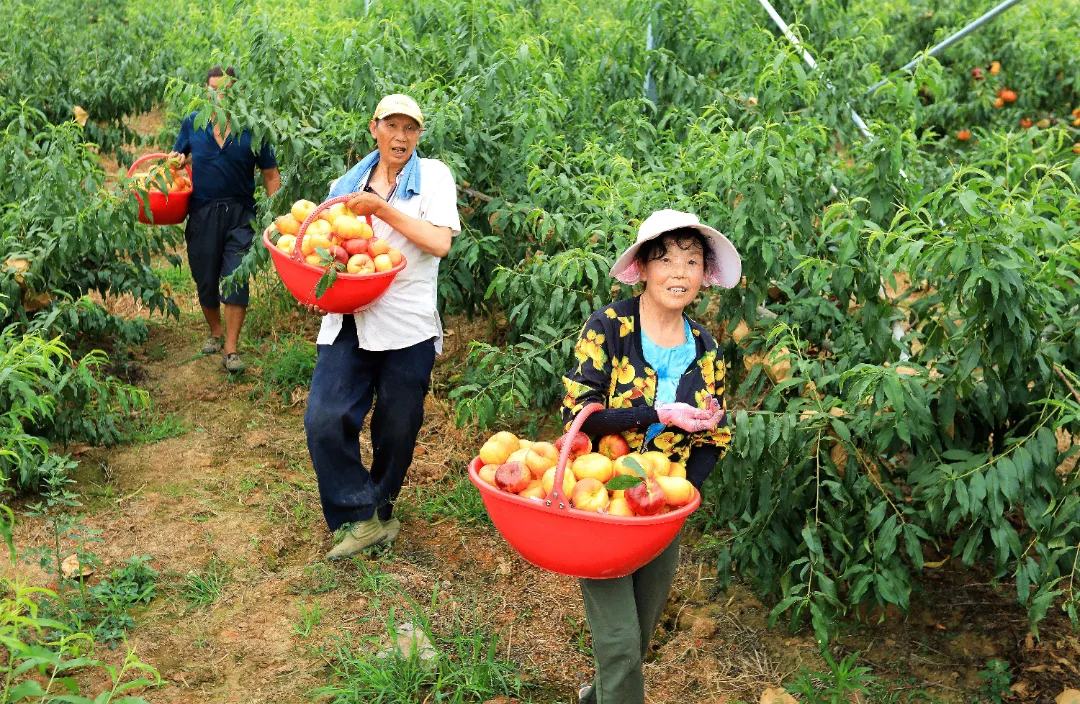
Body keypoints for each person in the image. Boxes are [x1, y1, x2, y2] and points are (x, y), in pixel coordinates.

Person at [560, 209, 741, 704]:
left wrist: (685, 494)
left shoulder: (706, 349)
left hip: (661, 509)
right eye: (665, 260)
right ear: (642, 267)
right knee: (618, 643)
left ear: (705, 275)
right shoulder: (610, 327)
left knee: (637, 639)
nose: (678, 273)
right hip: (600, 502)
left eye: (691, 261)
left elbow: (714, 434)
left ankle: (595, 699)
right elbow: (581, 415)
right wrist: (656, 413)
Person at [301, 94, 460, 560]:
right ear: (375, 128)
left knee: (398, 426)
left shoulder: (433, 177)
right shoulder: (344, 184)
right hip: (350, 317)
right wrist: (320, 288)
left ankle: (382, 510)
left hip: (407, 321)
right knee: (324, 417)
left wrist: (382, 209)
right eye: (393, 126)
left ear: (419, 136)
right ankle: (359, 515)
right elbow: (326, 249)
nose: (402, 137)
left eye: (411, 129)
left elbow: (438, 243)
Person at [168, 65, 281, 372]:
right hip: (202, 212)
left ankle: (231, 348)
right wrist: (177, 161)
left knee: (236, 278)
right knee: (205, 279)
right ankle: (216, 332)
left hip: (241, 214)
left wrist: (272, 216)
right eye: (214, 90)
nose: (220, 95)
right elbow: (177, 159)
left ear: (238, 91)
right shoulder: (193, 123)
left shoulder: (253, 129)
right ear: (207, 92)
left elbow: (271, 175)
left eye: (226, 90)